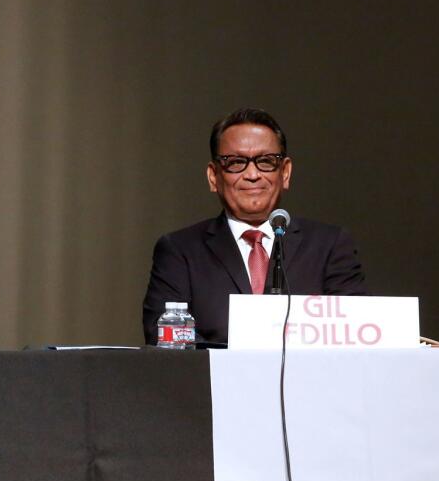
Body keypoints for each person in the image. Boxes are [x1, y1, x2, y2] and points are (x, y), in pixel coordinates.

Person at [141, 108, 367, 346]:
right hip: (212, 382)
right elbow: (165, 343)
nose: (252, 174)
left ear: (286, 173)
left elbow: (356, 337)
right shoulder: (179, 251)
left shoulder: (329, 246)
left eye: (266, 162)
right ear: (213, 177)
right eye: (236, 162)